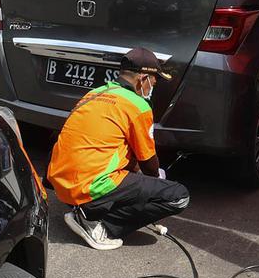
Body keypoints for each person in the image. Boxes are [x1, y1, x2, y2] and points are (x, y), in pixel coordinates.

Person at [47, 48, 190, 250]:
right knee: (178, 197)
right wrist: (155, 187)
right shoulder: (138, 106)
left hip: (61, 183)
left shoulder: (94, 94)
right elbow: (148, 164)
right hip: (90, 187)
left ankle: (88, 208)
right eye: (154, 80)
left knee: (129, 172)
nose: (154, 85)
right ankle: (97, 225)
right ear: (143, 78)